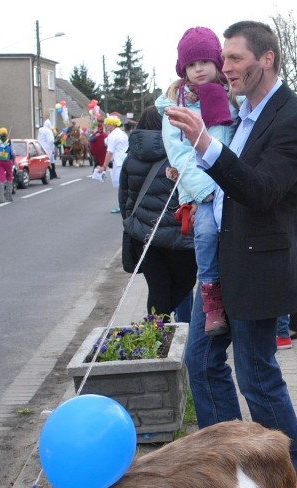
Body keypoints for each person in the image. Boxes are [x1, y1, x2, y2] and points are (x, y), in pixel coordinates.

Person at [165, 20, 297, 488]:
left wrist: (204, 147)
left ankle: (295, 480)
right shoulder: (242, 112)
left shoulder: (293, 118)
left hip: (261, 267)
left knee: (256, 374)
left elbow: (262, 190)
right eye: (223, 58)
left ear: (266, 58)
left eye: (234, 58)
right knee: (202, 361)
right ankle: (230, 469)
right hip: (224, 264)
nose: (224, 67)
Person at [157, 26, 239, 336]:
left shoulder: (231, 100)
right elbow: (179, 157)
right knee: (205, 233)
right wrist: (206, 192)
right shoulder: (174, 109)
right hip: (201, 189)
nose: (198, 69)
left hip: (232, 183)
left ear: (217, 62)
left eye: (204, 61)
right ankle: (211, 299)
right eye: (191, 65)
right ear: (183, 70)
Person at [119, 106, 197, 322]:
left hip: (143, 235)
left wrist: (132, 226)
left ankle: (155, 330)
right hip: (178, 234)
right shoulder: (179, 153)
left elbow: (125, 199)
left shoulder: (130, 158)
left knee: (157, 287)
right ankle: (157, 326)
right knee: (185, 282)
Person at [97, 115, 129, 213]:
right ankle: (126, 204)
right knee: (125, 185)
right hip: (125, 160)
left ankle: (122, 205)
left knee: (121, 185)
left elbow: (109, 152)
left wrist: (104, 166)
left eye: (107, 124)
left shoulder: (113, 136)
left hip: (118, 162)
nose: (106, 126)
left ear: (112, 124)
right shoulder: (122, 133)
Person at [0, 127, 16, 203]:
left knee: (1, 178)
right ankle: (9, 196)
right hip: (8, 162)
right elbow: (13, 153)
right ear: (6, 134)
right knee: (9, 177)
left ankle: (1, 198)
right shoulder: (9, 141)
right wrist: (13, 160)